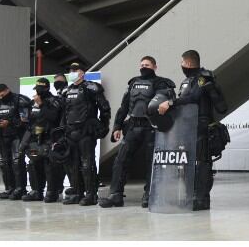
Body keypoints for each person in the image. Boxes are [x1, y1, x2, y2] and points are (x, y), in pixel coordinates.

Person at [99, 56, 175, 208]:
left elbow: (169, 102)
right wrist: (117, 127)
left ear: (155, 66)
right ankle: (115, 195)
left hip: (151, 128)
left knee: (151, 163)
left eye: (147, 65)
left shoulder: (162, 83)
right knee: (121, 160)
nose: (143, 67)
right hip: (132, 126)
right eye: (141, 65)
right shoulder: (133, 82)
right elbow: (124, 107)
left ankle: (150, 194)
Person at [157, 50, 228, 210]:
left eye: (182, 62)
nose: (181, 65)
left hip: (202, 126)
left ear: (188, 63)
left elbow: (194, 97)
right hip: (188, 127)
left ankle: (201, 199)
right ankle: (190, 196)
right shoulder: (187, 81)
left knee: (202, 163)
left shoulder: (203, 78)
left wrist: (171, 103)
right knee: (188, 164)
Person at [60, 64, 111, 206]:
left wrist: (103, 125)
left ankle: (91, 194)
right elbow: (63, 113)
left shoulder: (91, 87)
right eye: (70, 70)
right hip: (70, 132)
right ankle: (77, 193)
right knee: (73, 164)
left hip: (86, 131)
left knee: (87, 163)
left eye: (75, 71)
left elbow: (104, 107)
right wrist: (62, 130)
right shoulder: (66, 90)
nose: (72, 73)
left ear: (82, 73)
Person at [18, 77, 64, 203]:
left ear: (46, 88)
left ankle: (52, 192)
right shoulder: (33, 102)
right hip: (34, 139)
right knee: (33, 164)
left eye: (40, 89)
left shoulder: (54, 101)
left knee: (49, 166)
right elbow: (31, 121)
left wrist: (42, 104)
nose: (37, 92)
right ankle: (36, 191)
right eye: (36, 89)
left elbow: (53, 117)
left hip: (49, 138)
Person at [0, 83, 32, 200]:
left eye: (2, 95)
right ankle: (9, 188)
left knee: (17, 162)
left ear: (8, 90)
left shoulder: (21, 100)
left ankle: (20, 188)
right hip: (2, 136)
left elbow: (26, 120)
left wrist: (10, 122)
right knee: (5, 163)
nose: (1, 97)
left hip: (17, 136)